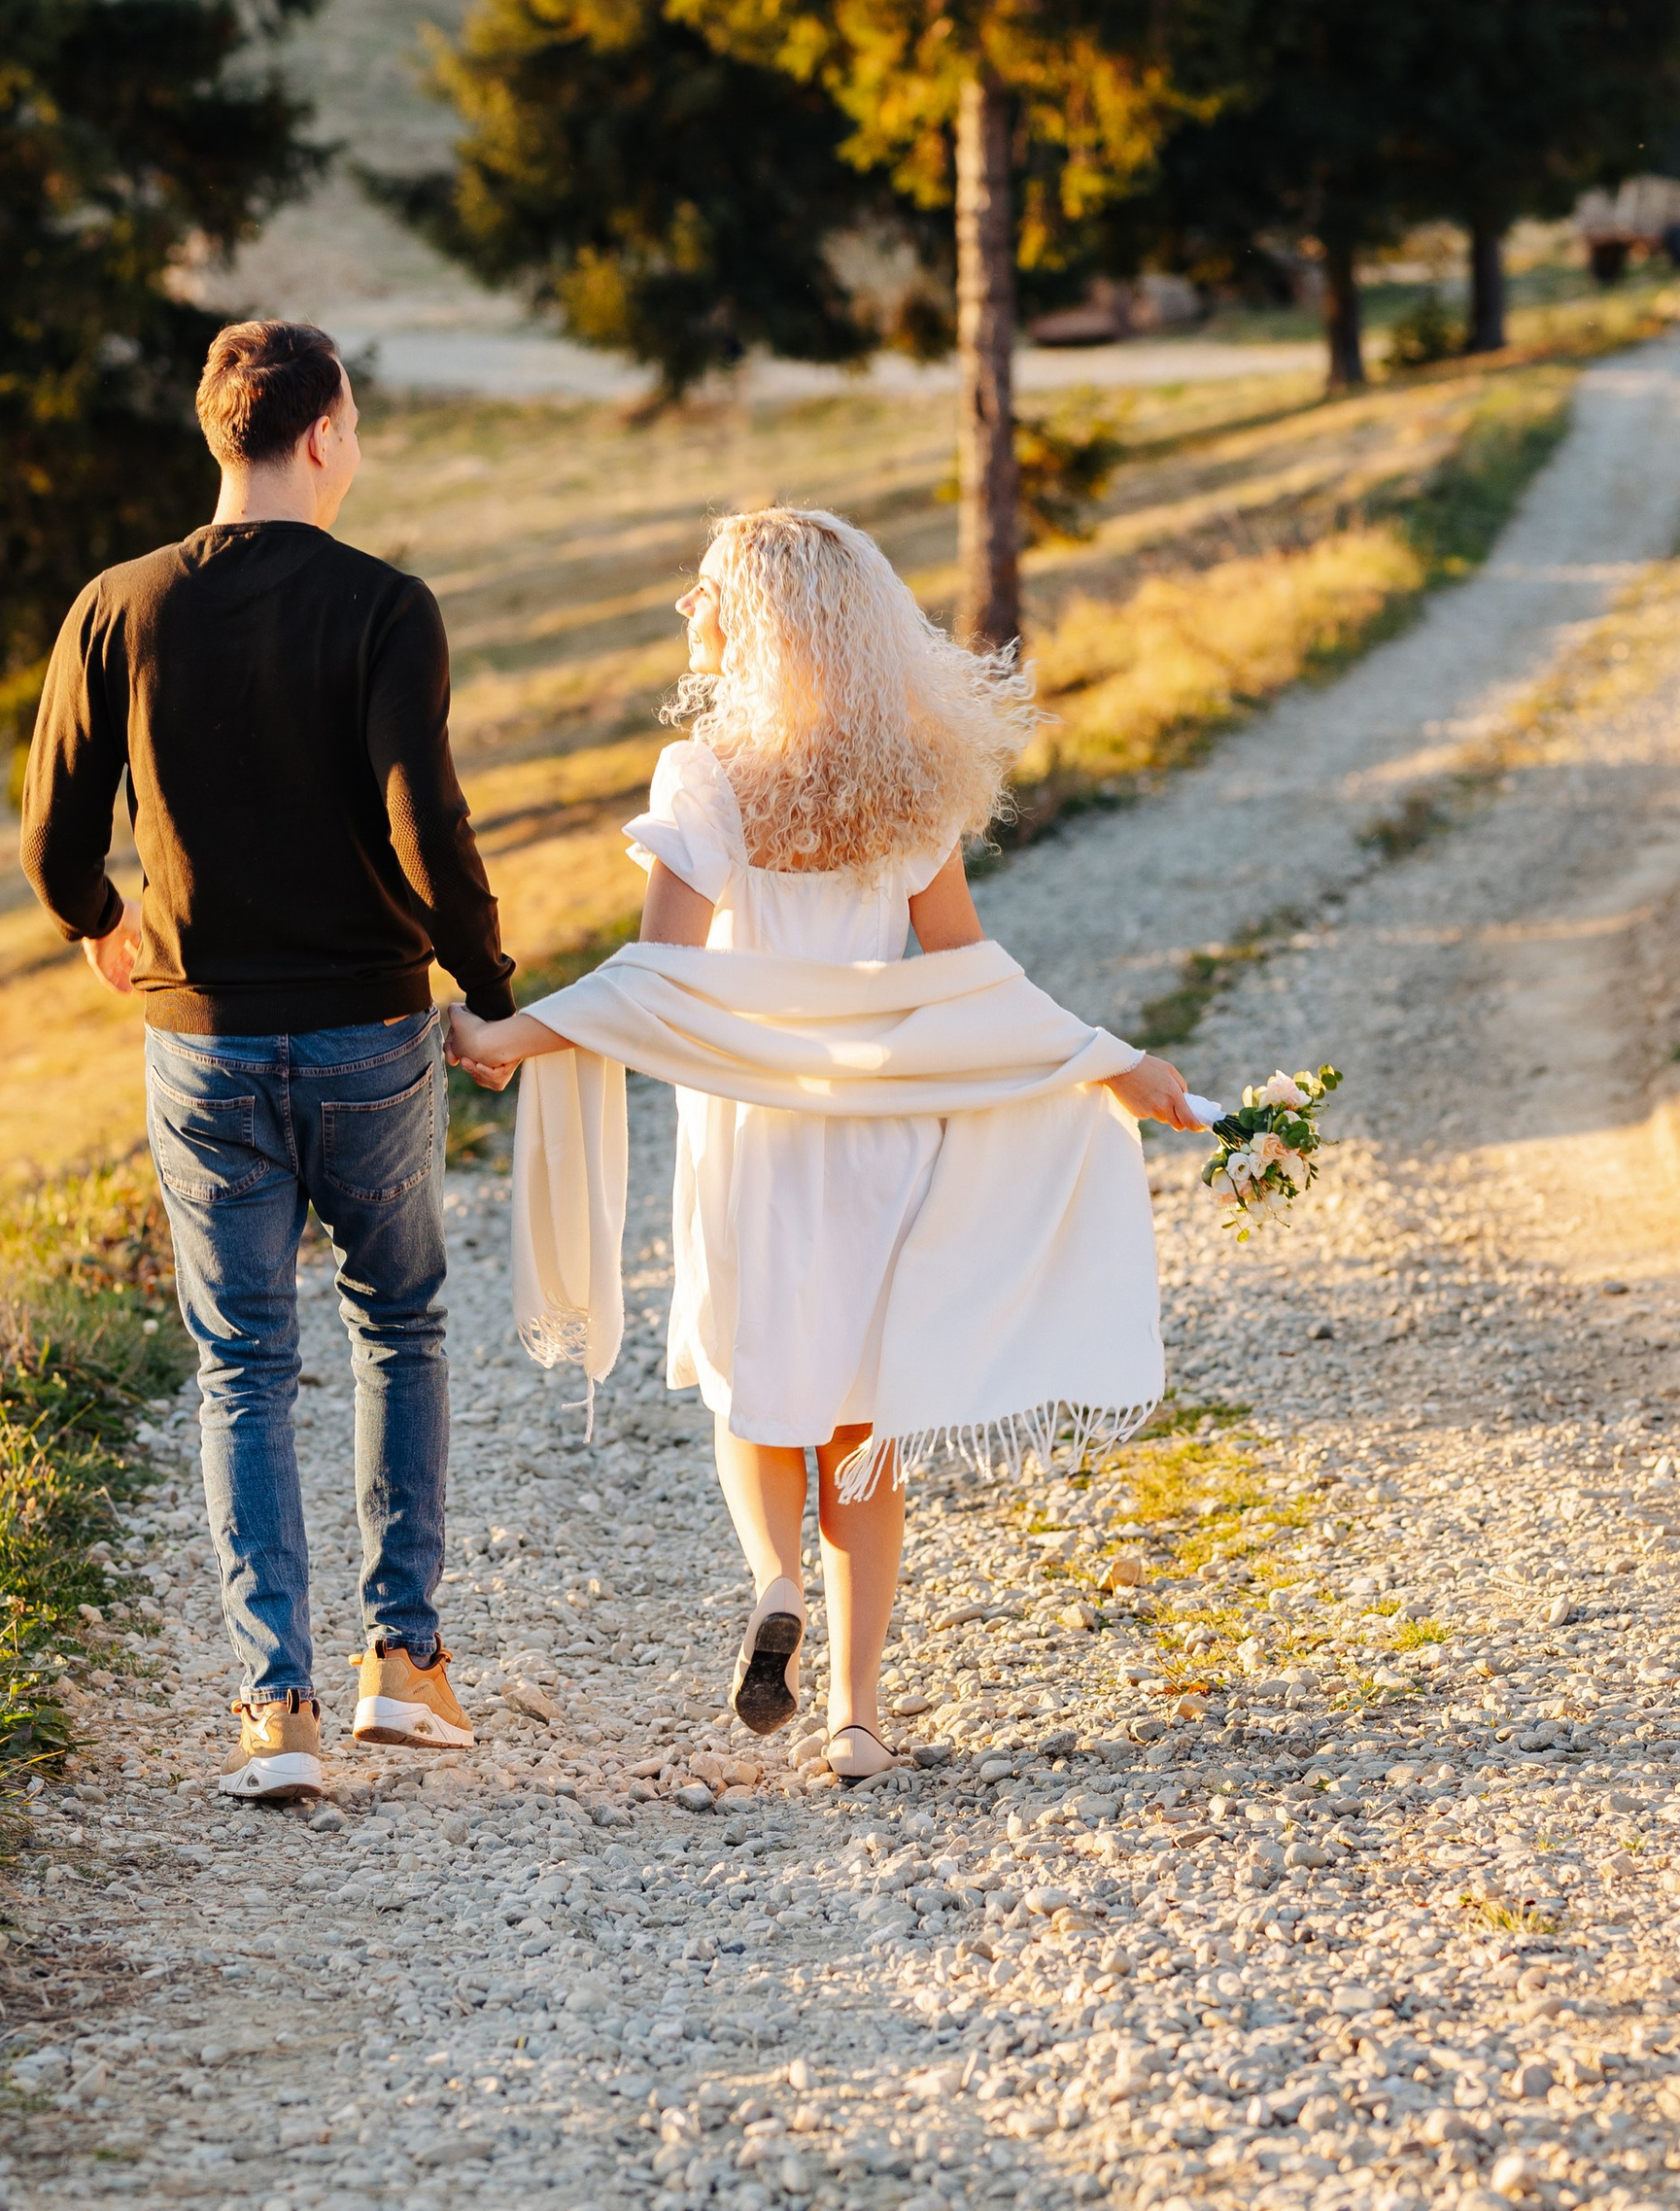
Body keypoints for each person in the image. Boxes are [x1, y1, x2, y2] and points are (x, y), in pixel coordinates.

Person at [448, 505, 1209, 1783]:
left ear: (756, 619)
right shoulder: (906, 782)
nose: (689, 608)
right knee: (865, 1422)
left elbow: (657, 978)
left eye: (706, 588)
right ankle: (856, 1720)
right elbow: (973, 980)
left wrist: (511, 1036)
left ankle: (774, 1581)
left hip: (755, 1142)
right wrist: (1112, 1061)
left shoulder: (707, 777)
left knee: (754, 1394)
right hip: (880, 1144)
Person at [21, 317, 515, 1802]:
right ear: (321, 436)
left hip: (203, 1041)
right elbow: (426, 822)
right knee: (397, 1325)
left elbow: (53, 833)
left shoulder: (117, 606)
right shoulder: (387, 607)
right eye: (353, 424)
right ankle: (404, 1668)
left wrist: (99, 922)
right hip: (370, 1031)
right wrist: (489, 987)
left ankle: (274, 1709)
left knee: (242, 1361)